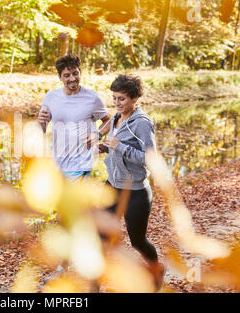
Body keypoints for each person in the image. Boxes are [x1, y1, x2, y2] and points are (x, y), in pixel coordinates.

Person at [99, 74, 165, 290]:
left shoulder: (143, 124)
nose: (117, 103)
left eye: (122, 99)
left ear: (135, 98)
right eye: (114, 98)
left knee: (137, 241)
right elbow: (115, 147)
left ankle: (156, 270)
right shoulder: (116, 118)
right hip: (112, 186)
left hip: (135, 191)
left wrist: (120, 147)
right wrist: (103, 147)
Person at [37, 54, 111, 181]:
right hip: (57, 164)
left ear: (80, 73)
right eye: (67, 75)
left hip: (80, 164)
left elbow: (109, 120)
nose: (72, 78)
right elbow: (41, 131)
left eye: (75, 73)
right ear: (59, 77)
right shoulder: (51, 97)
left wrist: (97, 135)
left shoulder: (93, 98)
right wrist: (40, 122)